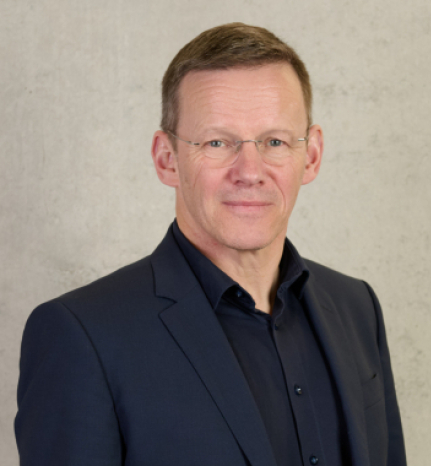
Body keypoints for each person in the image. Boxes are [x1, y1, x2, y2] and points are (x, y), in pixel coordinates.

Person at [15, 23, 407, 466]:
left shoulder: (357, 308)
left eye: (274, 141)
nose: (250, 170)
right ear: (167, 160)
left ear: (311, 155)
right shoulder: (82, 337)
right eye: (218, 142)